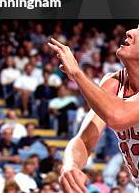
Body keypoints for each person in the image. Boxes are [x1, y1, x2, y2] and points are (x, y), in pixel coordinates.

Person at [48, 32, 139, 192]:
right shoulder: (114, 83)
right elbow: (84, 140)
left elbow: (117, 117)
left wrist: (77, 74)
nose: (130, 32)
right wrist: (70, 165)